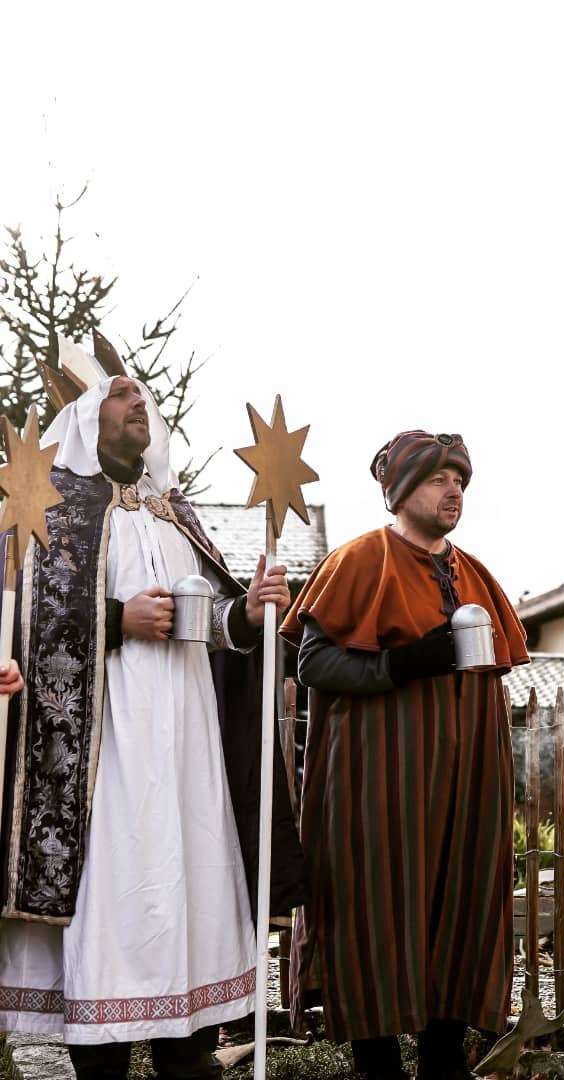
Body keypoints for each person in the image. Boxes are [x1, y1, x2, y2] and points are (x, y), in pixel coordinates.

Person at [0, 335, 305, 1080]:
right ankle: (100, 1056)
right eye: (123, 392)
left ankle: (189, 1051)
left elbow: (216, 633)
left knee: (189, 885)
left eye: (146, 396)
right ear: (82, 416)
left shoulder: (176, 516)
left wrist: (251, 613)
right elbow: (24, 625)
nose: (142, 402)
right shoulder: (55, 515)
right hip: (104, 757)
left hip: (188, 750)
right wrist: (115, 619)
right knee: (115, 893)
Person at [280, 429, 530, 1080]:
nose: (454, 491)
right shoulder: (358, 561)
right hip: (377, 780)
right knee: (374, 908)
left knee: (460, 905)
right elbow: (313, 662)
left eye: (460, 482)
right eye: (438, 480)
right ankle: (379, 1065)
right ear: (400, 491)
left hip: (466, 781)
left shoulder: (475, 573)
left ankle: (444, 1063)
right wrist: (399, 663)